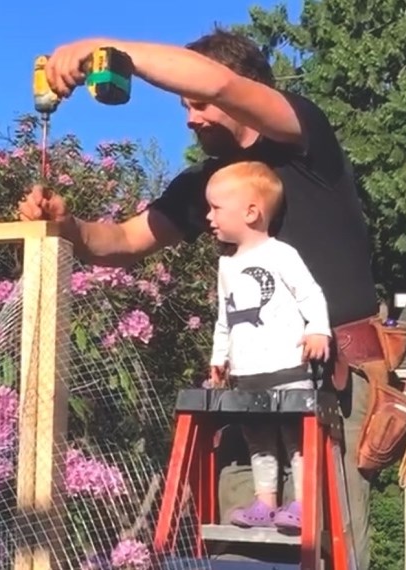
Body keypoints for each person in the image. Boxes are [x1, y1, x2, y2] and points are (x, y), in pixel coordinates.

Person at [19, 28, 380, 569]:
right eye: (185, 106)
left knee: (327, 546)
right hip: (252, 388)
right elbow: (121, 242)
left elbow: (217, 79)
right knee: (243, 545)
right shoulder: (207, 186)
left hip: (336, 382)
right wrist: (67, 224)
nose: (191, 118)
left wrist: (106, 51)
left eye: (200, 105)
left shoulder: (302, 139)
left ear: (242, 94)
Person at [205, 160, 332, 533]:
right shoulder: (226, 265)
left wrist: (318, 330)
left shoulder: (281, 254)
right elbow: (224, 316)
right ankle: (265, 502)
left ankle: (303, 503)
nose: (209, 216)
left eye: (215, 208)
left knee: (297, 439)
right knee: (258, 440)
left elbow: (310, 293)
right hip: (247, 374)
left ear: (251, 212)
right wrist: (219, 357)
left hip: (288, 367)